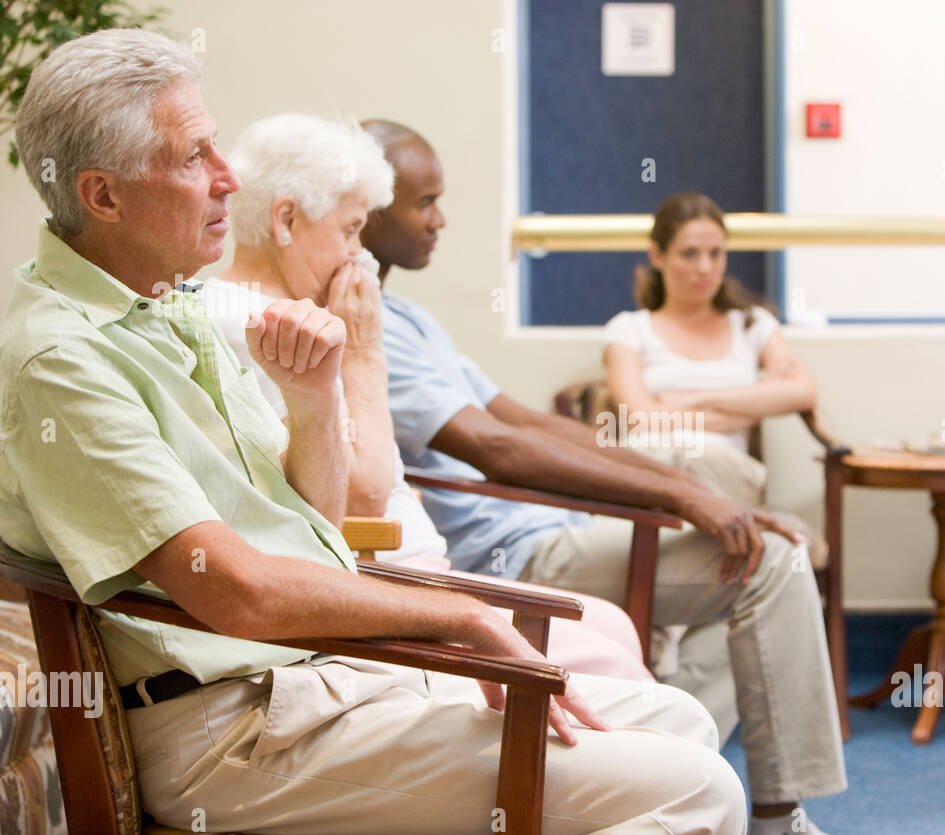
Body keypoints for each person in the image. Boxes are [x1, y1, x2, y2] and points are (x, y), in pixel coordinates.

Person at [0, 28, 746, 835]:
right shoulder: (63, 358)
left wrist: (315, 398)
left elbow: (314, 530)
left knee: (683, 721)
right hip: (231, 731)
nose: (228, 176)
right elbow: (239, 594)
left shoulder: (166, 305)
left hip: (310, 681)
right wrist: (463, 619)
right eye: (193, 156)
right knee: (696, 793)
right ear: (101, 196)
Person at [362, 120, 905, 835]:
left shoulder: (408, 317)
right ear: (365, 206)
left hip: (549, 531)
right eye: (425, 203)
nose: (441, 219)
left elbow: (520, 417)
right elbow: (496, 446)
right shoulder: (366, 326)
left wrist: (676, 484)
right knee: (770, 563)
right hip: (507, 557)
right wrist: (684, 492)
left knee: (742, 531)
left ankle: (732, 805)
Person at [202, 111, 650, 683]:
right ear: (286, 219)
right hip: (374, 590)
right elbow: (364, 498)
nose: (359, 257)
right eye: (350, 230)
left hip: (410, 575)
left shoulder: (284, 312)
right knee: (611, 661)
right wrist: (363, 351)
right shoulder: (263, 328)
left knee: (611, 627)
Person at [603, 191, 816, 506]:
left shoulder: (753, 324)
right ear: (657, 256)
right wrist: (753, 403)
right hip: (651, 468)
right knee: (653, 458)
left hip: (725, 475)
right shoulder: (628, 330)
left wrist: (694, 399)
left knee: (695, 459)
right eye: (689, 254)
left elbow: (802, 392)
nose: (705, 268)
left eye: (716, 254)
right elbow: (641, 421)